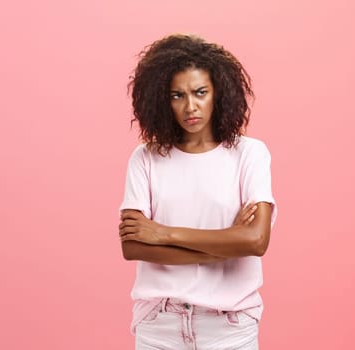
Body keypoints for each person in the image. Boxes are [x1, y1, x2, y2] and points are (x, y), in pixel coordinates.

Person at [118, 33, 277, 349]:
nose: (190, 106)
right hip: (159, 326)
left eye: (200, 92)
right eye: (177, 95)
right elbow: (133, 247)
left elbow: (256, 241)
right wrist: (227, 242)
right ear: (162, 100)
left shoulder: (249, 154)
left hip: (229, 327)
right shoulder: (146, 158)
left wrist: (163, 233)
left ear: (218, 93)